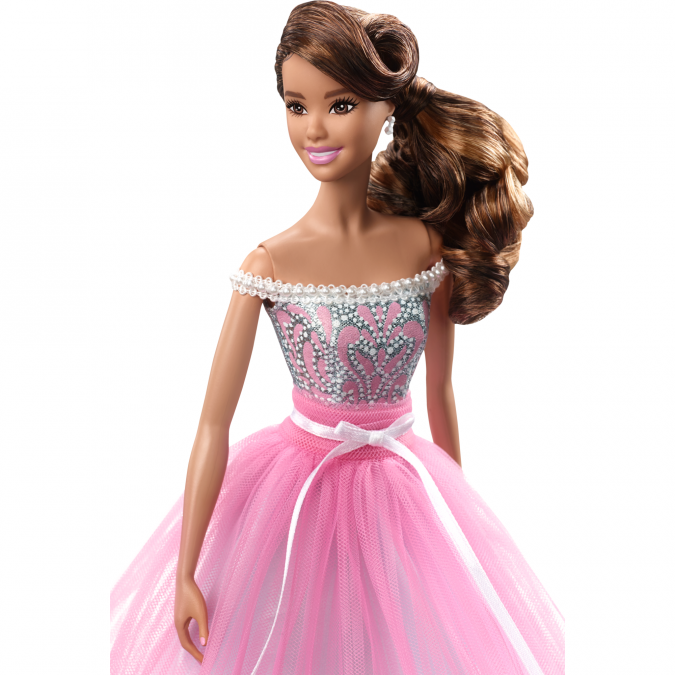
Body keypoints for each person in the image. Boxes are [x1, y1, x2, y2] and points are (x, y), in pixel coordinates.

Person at [110, 2, 564, 673]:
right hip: (294, 493)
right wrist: (185, 570)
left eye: (340, 104)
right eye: (296, 106)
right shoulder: (269, 263)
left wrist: (456, 522)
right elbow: (212, 424)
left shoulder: (425, 248)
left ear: (387, 110)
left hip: (402, 489)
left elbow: (440, 392)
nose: (314, 128)